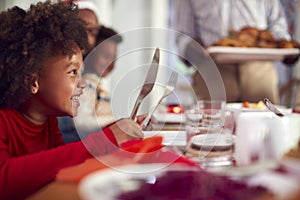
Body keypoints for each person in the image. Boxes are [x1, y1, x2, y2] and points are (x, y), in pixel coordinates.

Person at [0, 1, 146, 199]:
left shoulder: (47, 120)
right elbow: (5, 178)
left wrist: (115, 130)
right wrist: (104, 142)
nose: (82, 84)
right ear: (31, 80)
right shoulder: (3, 121)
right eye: (73, 72)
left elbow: (60, 165)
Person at [172, 0, 296, 104]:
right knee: (214, 126)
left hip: (260, 68)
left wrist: (284, 46)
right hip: (212, 69)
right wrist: (195, 50)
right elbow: (182, 36)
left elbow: (277, 25)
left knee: (264, 121)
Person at [59, 26, 123, 142]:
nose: (111, 64)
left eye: (114, 59)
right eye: (106, 56)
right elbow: (82, 122)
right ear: (89, 53)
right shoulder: (86, 85)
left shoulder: (96, 85)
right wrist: (118, 122)